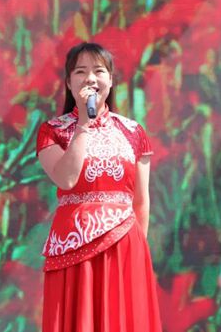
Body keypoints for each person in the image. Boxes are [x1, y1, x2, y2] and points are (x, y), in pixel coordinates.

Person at [36, 42, 162, 332]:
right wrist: (83, 124)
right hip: (73, 247)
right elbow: (66, 179)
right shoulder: (52, 131)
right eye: (80, 72)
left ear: (111, 80)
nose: (90, 78)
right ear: (69, 83)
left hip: (123, 247)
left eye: (99, 71)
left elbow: (141, 202)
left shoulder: (133, 132)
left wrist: (136, 257)